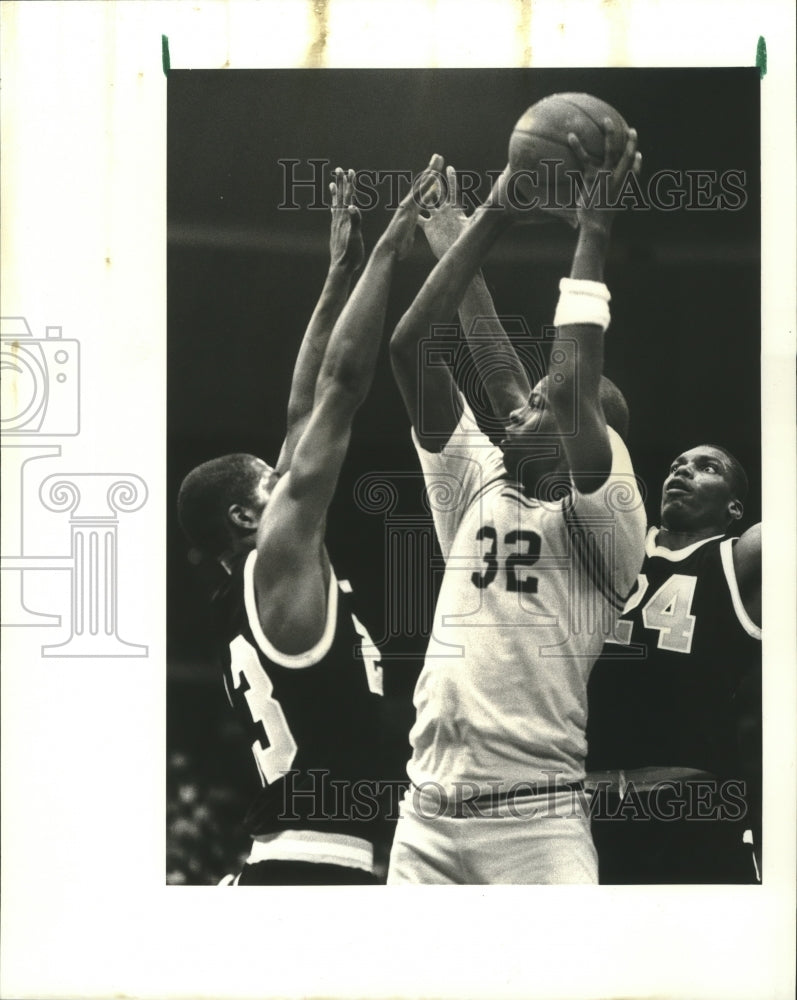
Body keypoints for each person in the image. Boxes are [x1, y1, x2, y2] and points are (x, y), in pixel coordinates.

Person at [386, 125, 647, 884]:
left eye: (542, 403)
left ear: (579, 436)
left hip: (536, 825)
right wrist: (484, 220)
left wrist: (594, 231)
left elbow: (567, 376)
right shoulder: (479, 481)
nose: (519, 402)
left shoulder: (607, 522)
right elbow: (414, 348)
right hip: (424, 817)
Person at [176, 161, 441, 885]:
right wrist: (390, 249)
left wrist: (336, 279)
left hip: (287, 857)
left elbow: (301, 412)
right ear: (244, 514)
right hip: (317, 869)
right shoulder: (278, 559)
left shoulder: (251, 587)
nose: (287, 472)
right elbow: (342, 389)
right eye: (272, 477)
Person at [586, 445, 762, 883]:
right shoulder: (612, 551)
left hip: (694, 805)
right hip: (586, 807)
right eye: (676, 466)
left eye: (707, 467)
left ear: (734, 506)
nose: (683, 471)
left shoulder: (741, 558)